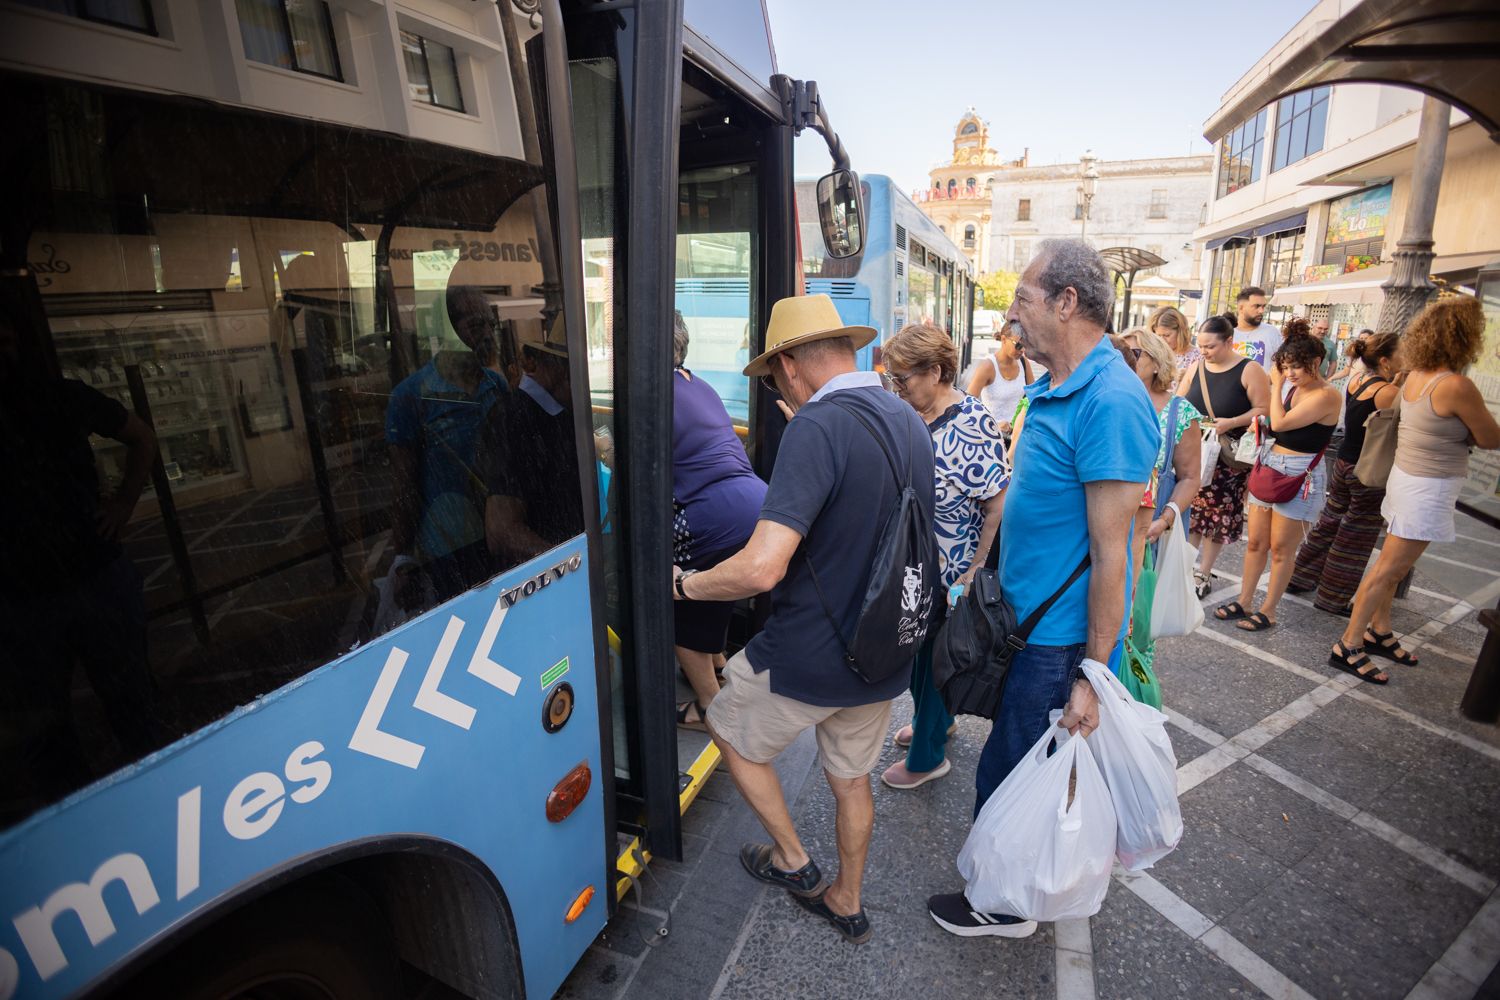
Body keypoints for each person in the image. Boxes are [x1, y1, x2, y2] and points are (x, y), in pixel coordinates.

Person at [675, 293, 934, 944]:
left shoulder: (817, 429)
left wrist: (684, 585)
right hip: (880, 651)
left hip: (809, 650)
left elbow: (762, 569)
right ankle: (846, 898)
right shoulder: (905, 420)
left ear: (790, 365)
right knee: (850, 781)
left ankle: (792, 859)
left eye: (771, 377)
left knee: (728, 728)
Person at [927, 239, 1157, 938]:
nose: (1011, 310)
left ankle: (1003, 904)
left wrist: (1093, 672)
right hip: (1022, 626)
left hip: (1054, 645)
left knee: (1018, 771)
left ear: (1066, 302)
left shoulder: (1111, 400)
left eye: (1023, 297)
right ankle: (1009, 885)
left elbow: (1116, 555)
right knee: (1015, 762)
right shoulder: (1053, 384)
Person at [0, 300, 173, 817]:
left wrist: (122, 504)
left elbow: (141, 436)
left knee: (129, 708)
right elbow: (141, 438)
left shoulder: (57, 397)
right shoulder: (57, 396)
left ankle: (158, 808)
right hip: (27, 596)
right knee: (48, 734)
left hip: (88, 576)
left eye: (5, 341)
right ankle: (85, 828)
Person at [1333, 298, 1500, 682]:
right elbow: (1490, 437)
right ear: (1464, 338)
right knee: (1388, 568)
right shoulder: (1456, 385)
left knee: (1393, 568)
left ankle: (1380, 629)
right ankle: (1349, 643)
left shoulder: (1412, 376)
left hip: (1407, 480)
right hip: (1427, 486)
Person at [879, 322, 1008, 790]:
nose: (896, 387)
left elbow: (996, 504)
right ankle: (941, 722)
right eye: (891, 378)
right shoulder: (911, 414)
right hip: (914, 564)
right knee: (916, 656)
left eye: (903, 378)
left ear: (935, 371)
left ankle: (928, 756)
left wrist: (975, 570)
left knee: (935, 661)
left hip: (952, 572)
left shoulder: (972, 423)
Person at [384, 285, 510, 614]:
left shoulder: (495, 384)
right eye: (475, 326)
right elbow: (404, 484)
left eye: (489, 325)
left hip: (500, 534)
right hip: (449, 550)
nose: (486, 335)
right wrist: (404, 557)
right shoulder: (412, 395)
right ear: (448, 332)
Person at [669, 311, 767, 730]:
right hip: (756, 503)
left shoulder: (652, 390)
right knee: (715, 585)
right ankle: (721, 666)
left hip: (711, 513)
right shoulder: (698, 383)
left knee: (677, 595)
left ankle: (710, 705)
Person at [1216, 319, 1339, 631]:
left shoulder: (1326, 395)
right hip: (1270, 465)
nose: (1290, 373)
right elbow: (1272, 420)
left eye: (1296, 367)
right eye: (1285, 367)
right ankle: (1244, 601)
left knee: (1282, 549)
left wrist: (1276, 385)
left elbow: (1281, 423)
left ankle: (1268, 610)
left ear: (1316, 362)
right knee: (1256, 542)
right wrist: (1279, 388)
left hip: (1300, 476)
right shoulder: (1289, 388)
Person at [1289, 332, 1401, 615]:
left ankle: (1301, 576)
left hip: (1344, 463)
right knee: (1355, 535)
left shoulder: (1357, 380)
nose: (1405, 359)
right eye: (1402, 354)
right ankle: (1333, 596)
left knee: (1329, 523)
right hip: (1368, 469)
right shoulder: (1388, 392)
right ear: (1386, 361)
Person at [1178, 314, 1270, 598]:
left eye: (1210, 346)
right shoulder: (1196, 366)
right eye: (1201, 346)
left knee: (1215, 517)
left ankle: (1202, 572)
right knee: (1190, 511)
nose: (1204, 351)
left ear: (1229, 342)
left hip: (1226, 456)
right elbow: (1179, 401)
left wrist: (1232, 421)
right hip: (1195, 451)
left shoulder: (1249, 369)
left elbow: (1263, 409)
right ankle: (1183, 568)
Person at [478, 320, 583, 567]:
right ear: (548, 366)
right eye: (573, 368)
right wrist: (571, 564)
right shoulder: (515, 418)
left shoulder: (561, 412)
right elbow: (502, 531)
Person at [1130, 328, 1202, 589]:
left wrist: (1165, 520)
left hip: (1148, 528)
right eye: (1119, 353)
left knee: (1140, 607)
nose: (1125, 359)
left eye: (1134, 353)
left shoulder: (1178, 412)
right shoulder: (1105, 401)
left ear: (1158, 363)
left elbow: (1191, 477)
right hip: (1099, 522)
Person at [964, 327, 1035, 438]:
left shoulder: (1023, 363)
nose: (1022, 350)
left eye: (1026, 345)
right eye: (1018, 345)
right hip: (991, 438)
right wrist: (993, 425)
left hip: (1017, 438)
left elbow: (1033, 399)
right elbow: (966, 406)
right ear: (1003, 339)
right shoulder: (988, 366)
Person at [1233, 286, 1283, 368]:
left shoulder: (1272, 332)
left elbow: (1283, 365)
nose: (1261, 311)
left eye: (1263, 306)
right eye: (1256, 306)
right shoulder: (1228, 335)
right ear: (1241, 308)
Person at [1146, 305, 1196, 374]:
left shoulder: (1197, 357)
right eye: (1158, 336)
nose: (1162, 340)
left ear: (1180, 332)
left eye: (1167, 335)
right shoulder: (1153, 355)